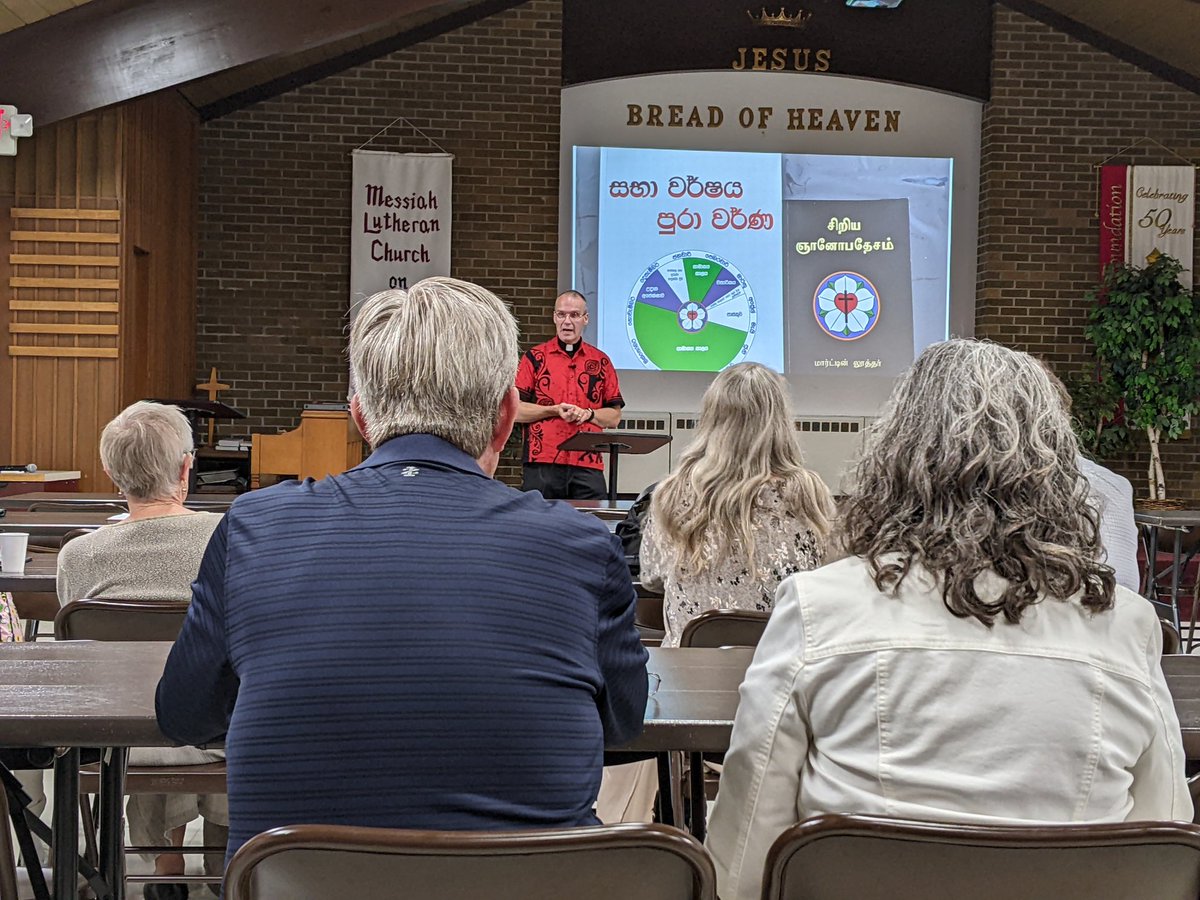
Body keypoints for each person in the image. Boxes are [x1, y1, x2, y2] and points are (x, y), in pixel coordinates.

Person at [156, 277, 649, 867]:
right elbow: (622, 723)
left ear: (360, 417)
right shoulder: (582, 547)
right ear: (505, 418)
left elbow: (184, 714)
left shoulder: (252, 531)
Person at [705, 339, 1192, 900]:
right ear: (1058, 467)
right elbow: (1165, 840)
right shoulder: (1126, 624)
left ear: (895, 455)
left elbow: (745, 860)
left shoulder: (818, 607)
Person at [57, 400, 227, 900]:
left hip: (120, 741)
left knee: (141, 694)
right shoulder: (233, 536)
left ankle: (163, 862)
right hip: (222, 736)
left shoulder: (79, 555)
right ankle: (226, 859)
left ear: (111, 472)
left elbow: (80, 665)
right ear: (186, 467)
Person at [640, 363, 835, 647]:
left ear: (712, 418)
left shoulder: (673, 493)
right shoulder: (809, 494)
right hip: (783, 673)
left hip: (688, 677)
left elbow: (651, 578)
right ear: (780, 421)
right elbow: (824, 583)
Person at [515, 290, 624, 499]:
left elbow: (614, 416)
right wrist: (554, 410)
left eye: (574, 315)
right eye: (562, 315)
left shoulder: (601, 361)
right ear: (554, 317)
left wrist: (589, 414)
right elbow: (516, 410)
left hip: (587, 461)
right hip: (543, 460)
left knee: (594, 523)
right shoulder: (535, 357)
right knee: (540, 525)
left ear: (585, 319)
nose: (567, 321)